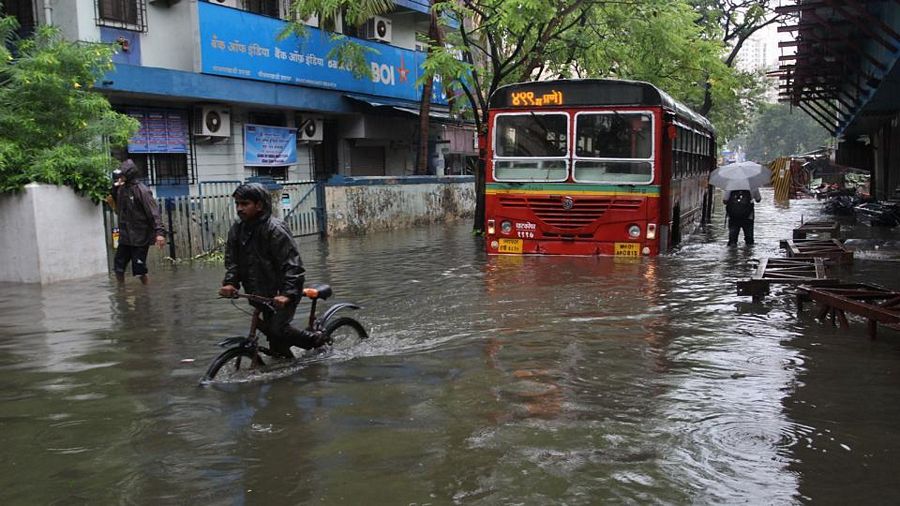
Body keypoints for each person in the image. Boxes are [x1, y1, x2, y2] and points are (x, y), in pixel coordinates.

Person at [218, 183, 323, 358]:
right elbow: (233, 261)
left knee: (277, 328)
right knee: (275, 343)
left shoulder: (275, 229)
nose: (239, 209)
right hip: (259, 293)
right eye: (237, 204)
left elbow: (293, 265)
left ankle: (314, 341)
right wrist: (230, 283)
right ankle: (288, 369)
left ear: (259, 205)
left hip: (282, 292)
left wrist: (287, 294)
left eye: (245, 204)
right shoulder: (237, 229)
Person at [110, 159, 166, 284]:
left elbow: (153, 212)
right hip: (125, 236)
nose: (120, 177)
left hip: (140, 237)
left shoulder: (142, 190)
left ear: (129, 175)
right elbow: (114, 200)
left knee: (139, 269)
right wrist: (114, 187)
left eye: (123, 175)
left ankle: (146, 293)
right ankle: (121, 292)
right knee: (118, 267)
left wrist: (159, 233)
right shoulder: (121, 189)